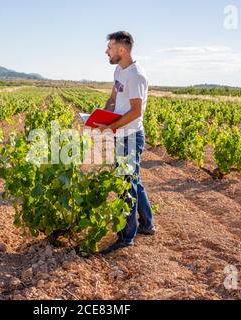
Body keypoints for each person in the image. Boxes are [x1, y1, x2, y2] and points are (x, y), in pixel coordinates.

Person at [94, 31, 156, 254]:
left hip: (130, 136)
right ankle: (147, 224)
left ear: (121, 49)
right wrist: (100, 116)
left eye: (109, 47)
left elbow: (136, 111)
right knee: (133, 179)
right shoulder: (119, 70)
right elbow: (113, 98)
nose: (106, 51)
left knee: (126, 184)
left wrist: (112, 126)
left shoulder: (136, 75)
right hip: (120, 133)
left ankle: (126, 236)